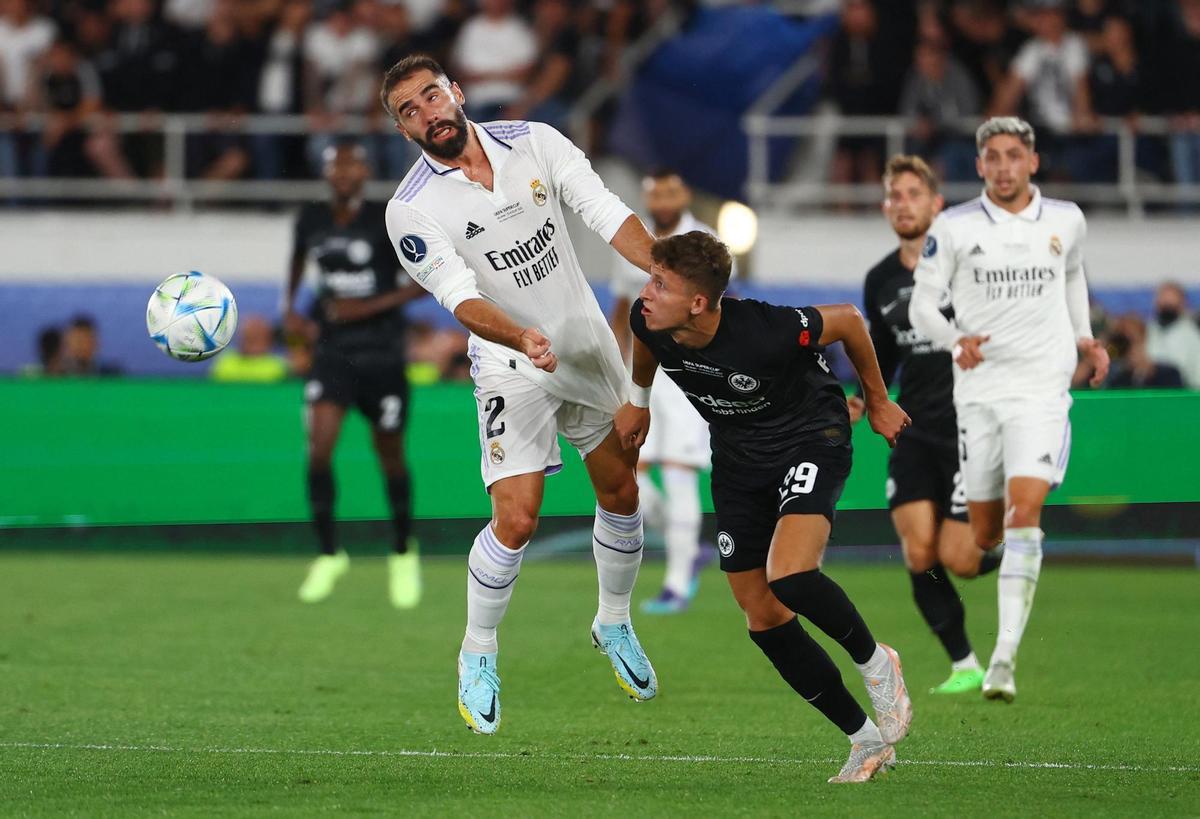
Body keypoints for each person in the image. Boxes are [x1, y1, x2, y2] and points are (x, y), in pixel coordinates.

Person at [381, 54, 659, 735]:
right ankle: (477, 653)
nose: (426, 114)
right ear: (403, 130)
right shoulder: (411, 209)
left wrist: (664, 268)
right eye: (408, 111)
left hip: (586, 343)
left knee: (622, 491)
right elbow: (460, 297)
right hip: (510, 359)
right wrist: (521, 337)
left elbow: (603, 210)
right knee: (519, 516)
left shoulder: (535, 140)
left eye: (430, 96)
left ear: (457, 90)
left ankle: (613, 622)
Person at [619, 231, 913, 784]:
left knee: (793, 577)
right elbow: (644, 344)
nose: (646, 293)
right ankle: (864, 740)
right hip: (737, 459)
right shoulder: (648, 318)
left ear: (700, 302)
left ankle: (877, 663)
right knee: (761, 613)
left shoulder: (764, 330)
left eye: (661, 283)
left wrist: (877, 401)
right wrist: (638, 405)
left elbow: (849, 319)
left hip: (810, 437)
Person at [909, 116, 1109, 702]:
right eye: (992, 156)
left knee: (1027, 513)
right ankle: (1002, 555)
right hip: (979, 395)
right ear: (979, 166)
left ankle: (1002, 658)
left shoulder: (1067, 220)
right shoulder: (953, 227)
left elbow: (1072, 276)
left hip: (1042, 391)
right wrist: (954, 342)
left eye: (1013, 155)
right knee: (986, 533)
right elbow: (923, 307)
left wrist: (1085, 338)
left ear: (1032, 161)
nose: (1003, 165)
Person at [852, 154, 1001, 695]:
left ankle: (1007, 543)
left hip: (971, 425)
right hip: (913, 429)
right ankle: (964, 664)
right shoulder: (881, 279)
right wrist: (863, 399)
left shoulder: (970, 266)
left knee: (959, 559)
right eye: (894, 195)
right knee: (918, 551)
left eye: (913, 193)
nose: (902, 203)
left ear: (937, 203)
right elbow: (883, 356)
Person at [284, 141, 426, 610]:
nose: (343, 173)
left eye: (352, 164)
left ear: (365, 172)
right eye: (335, 165)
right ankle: (328, 553)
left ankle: (403, 550)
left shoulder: (388, 219)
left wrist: (366, 307)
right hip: (332, 353)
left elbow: (423, 281)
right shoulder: (310, 219)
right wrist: (290, 311)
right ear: (326, 173)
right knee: (318, 448)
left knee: (389, 455)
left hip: (383, 355)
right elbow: (297, 262)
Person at [609, 170, 714, 615]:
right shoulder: (634, 240)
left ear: (685, 193)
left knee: (678, 469)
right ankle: (689, 551)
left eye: (672, 191)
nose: (663, 199)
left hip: (687, 370)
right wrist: (616, 365)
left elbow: (718, 309)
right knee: (629, 467)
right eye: (656, 192)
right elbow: (620, 309)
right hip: (642, 371)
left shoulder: (702, 240)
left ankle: (676, 582)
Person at [1145, 281, 1200, 389]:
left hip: (1181, 395)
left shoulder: (1192, 336)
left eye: (1171, 304)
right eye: (1164, 302)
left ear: (1182, 304)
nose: (1167, 307)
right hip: (1150, 394)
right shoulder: (1148, 331)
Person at [210, 315, 290, 383]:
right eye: (250, 338)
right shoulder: (225, 362)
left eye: (259, 337)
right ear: (241, 338)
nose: (255, 343)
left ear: (268, 340)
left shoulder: (277, 365)